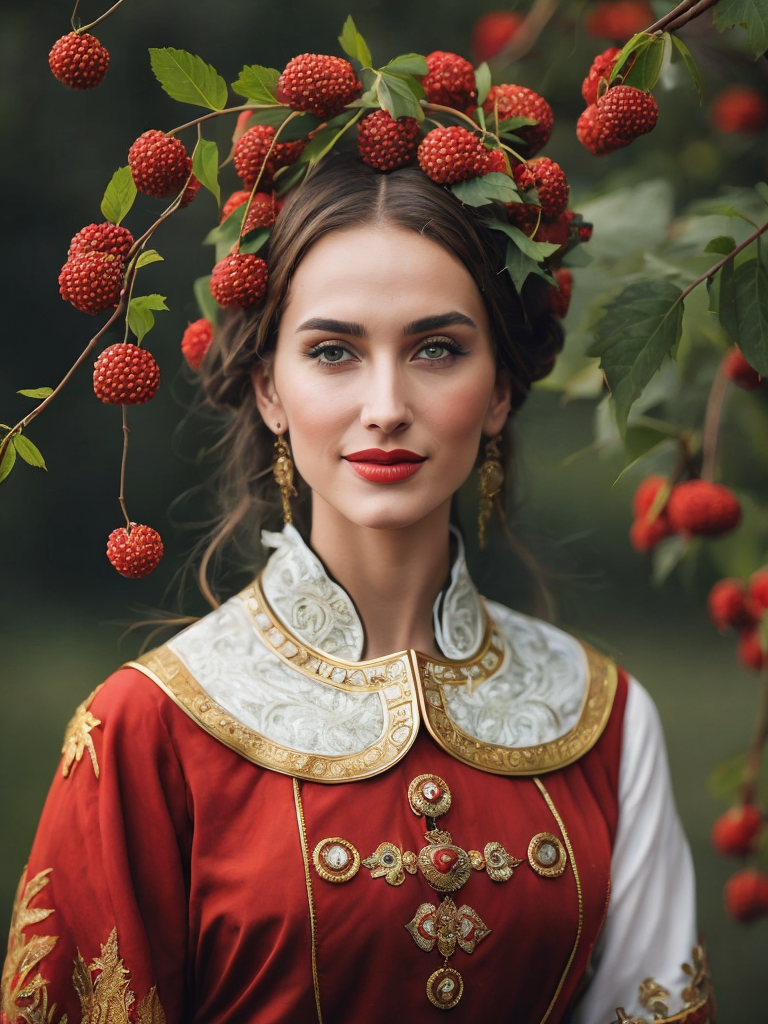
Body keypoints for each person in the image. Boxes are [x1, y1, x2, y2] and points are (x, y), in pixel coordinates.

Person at [2, 152, 712, 1024]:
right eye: (333, 351)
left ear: (498, 393)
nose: (385, 404)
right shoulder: (150, 728)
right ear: (269, 389)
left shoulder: (603, 719)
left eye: (438, 349)